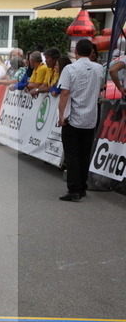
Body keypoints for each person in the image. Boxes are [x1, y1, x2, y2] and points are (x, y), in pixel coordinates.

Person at [57, 39, 104, 202]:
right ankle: (82, 187)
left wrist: (61, 115)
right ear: (91, 52)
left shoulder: (70, 69)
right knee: (84, 153)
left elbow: (64, 93)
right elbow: (100, 87)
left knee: (72, 154)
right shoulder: (99, 69)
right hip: (91, 117)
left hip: (73, 116)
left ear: (76, 51)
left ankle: (74, 189)